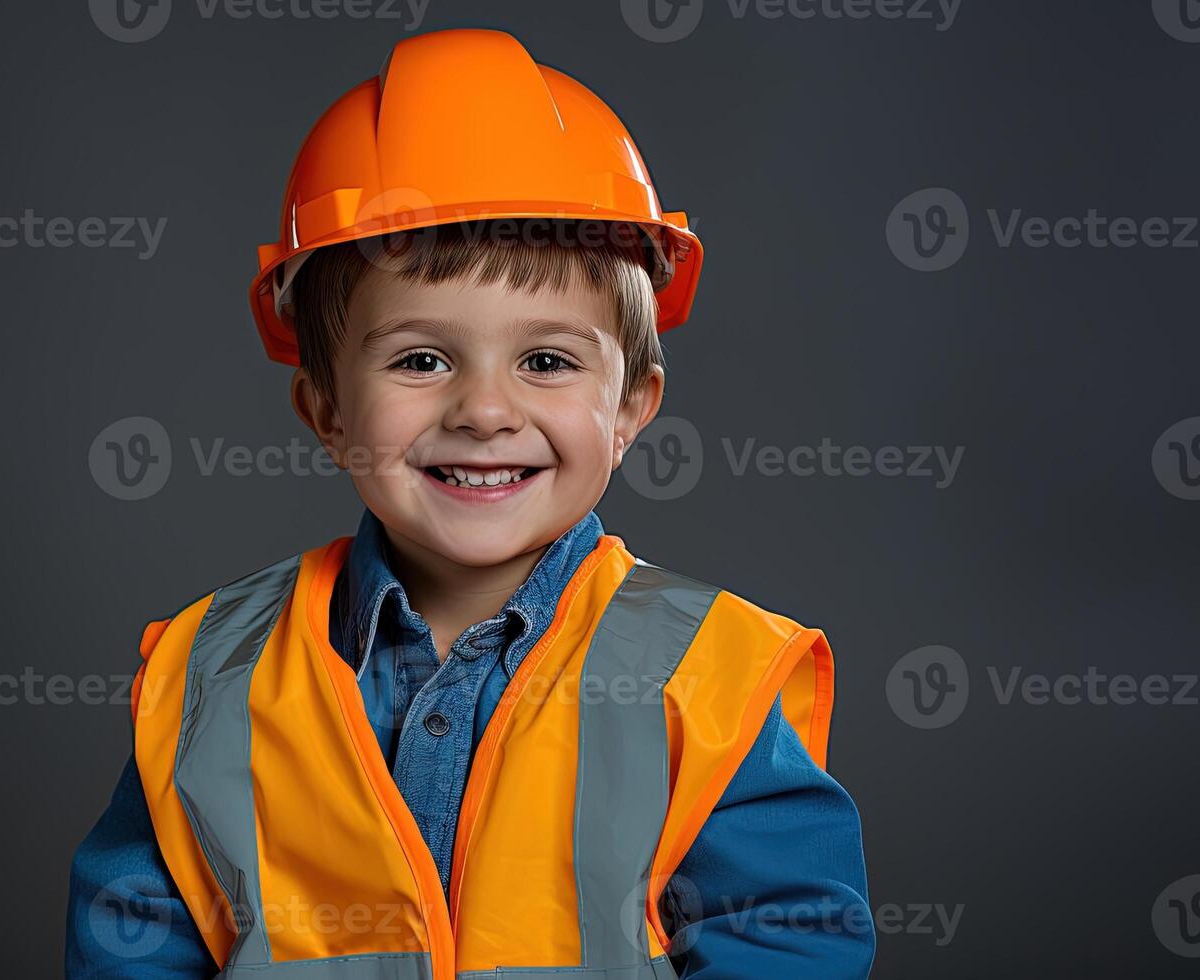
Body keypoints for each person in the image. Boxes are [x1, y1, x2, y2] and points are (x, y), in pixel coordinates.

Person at [66, 27, 874, 979]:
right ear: (326, 408)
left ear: (629, 409)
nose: (486, 410)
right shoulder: (215, 679)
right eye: (421, 359)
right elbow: (133, 947)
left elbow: (785, 944)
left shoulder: (711, 678)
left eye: (546, 361)